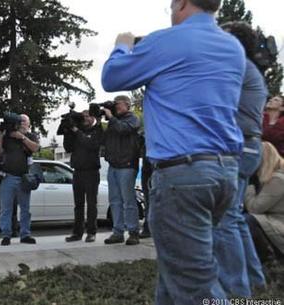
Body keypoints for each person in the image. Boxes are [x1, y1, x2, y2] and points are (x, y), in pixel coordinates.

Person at [101, 0, 245, 303]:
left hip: (183, 176)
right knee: (176, 273)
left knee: (195, 286)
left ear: (181, 2)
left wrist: (122, 46)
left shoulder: (167, 41)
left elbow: (112, 78)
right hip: (225, 173)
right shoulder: (232, 47)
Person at [212, 21, 268, 297]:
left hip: (240, 148)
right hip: (249, 148)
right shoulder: (249, 69)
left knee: (225, 219)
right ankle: (255, 280)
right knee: (234, 217)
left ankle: (237, 291)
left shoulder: (238, 67)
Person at [0, 114, 40, 246]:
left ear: (29, 124)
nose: (23, 123)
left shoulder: (31, 136)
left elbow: (35, 148)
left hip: (24, 177)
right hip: (8, 176)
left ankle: (25, 234)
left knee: (25, 209)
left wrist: (23, 137)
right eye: (20, 121)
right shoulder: (7, 136)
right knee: (6, 208)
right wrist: (1, 134)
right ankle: (6, 235)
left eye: (25, 121)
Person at [102, 95, 141, 246]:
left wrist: (111, 117)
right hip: (113, 165)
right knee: (115, 201)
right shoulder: (113, 122)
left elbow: (123, 129)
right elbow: (104, 140)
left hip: (127, 165)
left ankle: (133, 232)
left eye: (118, 104)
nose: (115, 107)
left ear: (127, 105)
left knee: (128, 201)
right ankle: (117, 232)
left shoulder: (133, 119)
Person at [63, 110, 103, 243]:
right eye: (83, 117)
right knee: (78, 204)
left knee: (91, 204)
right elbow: (68, 147)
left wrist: (76, 130)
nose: (84, 119)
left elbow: (91, 144)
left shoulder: (96, 130)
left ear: (92, 118)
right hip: (78, 171)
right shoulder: (76, 132)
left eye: (87, 116)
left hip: (91, 171)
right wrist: (68, 130)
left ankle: (91, 232)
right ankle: (77, 233)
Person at [245, 141, 284, 263]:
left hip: (279, 223)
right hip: (275, 219)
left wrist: (248, 185)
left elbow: (254, 208)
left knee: (247, 221)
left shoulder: (277, 179)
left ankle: (266, 260)